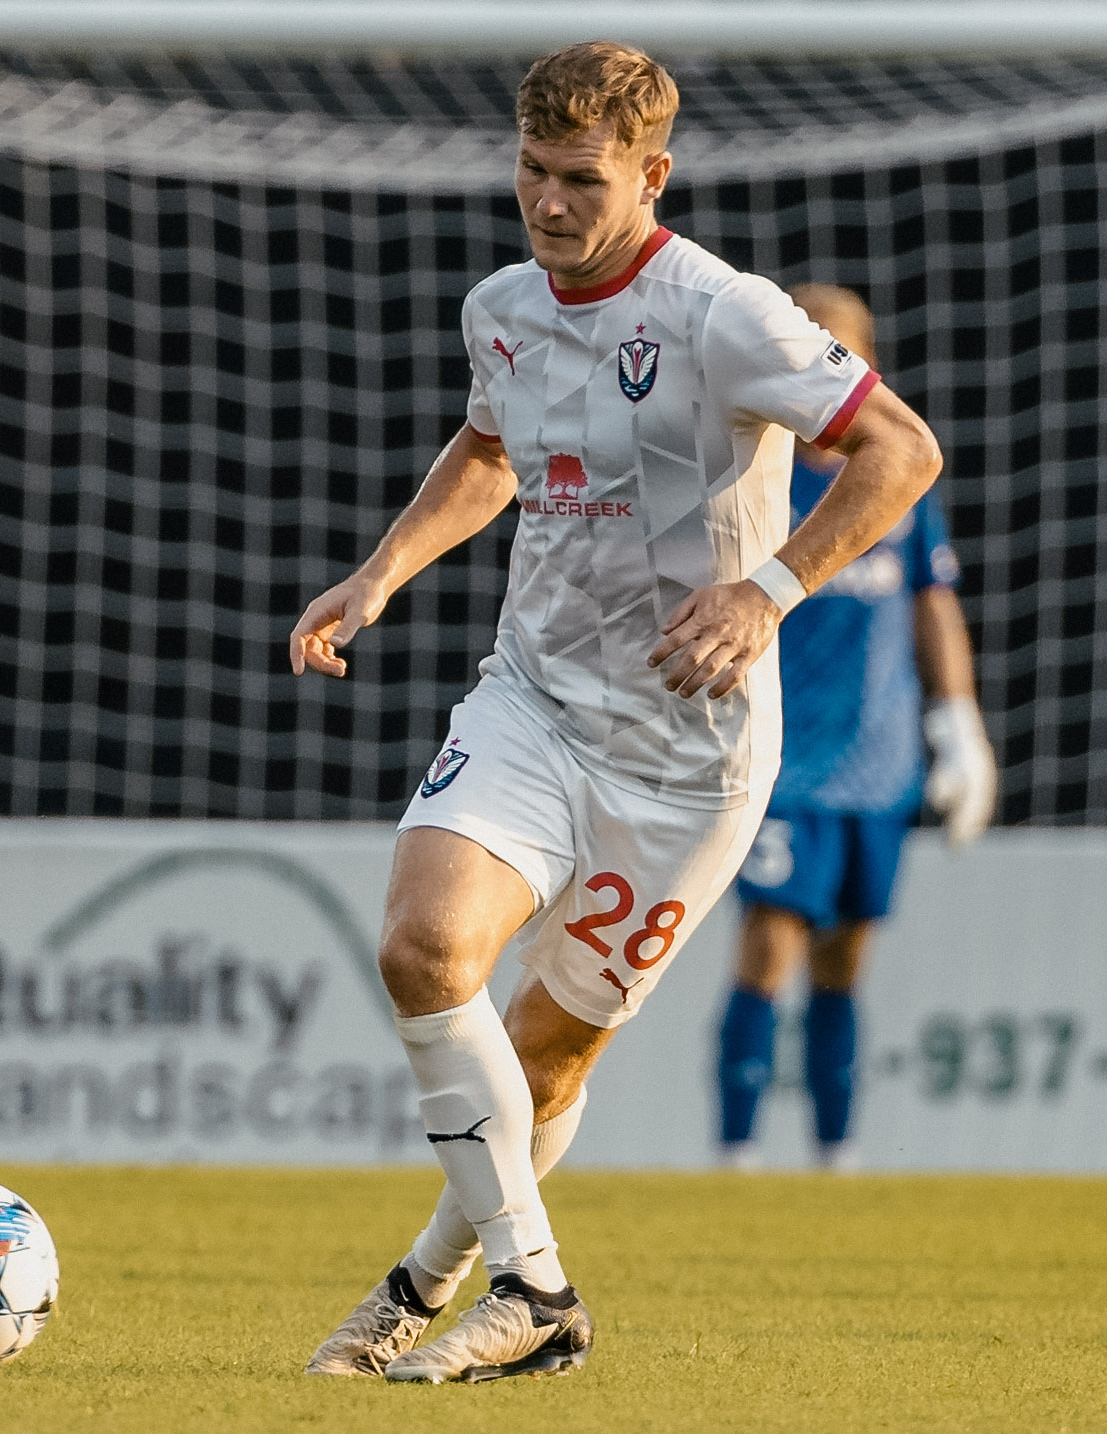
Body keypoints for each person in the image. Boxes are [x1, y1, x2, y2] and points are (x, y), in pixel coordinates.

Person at [287, 42, 944, 1384]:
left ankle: (429, 1277)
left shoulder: (725, 313)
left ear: (651, 174)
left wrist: (768, 591)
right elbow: (490, 448)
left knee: (543, 1058)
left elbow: (905, 454)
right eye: (529, 171)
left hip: (686, 758)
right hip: (532, 700)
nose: (546, 203)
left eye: (579, 179)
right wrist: (380, 572)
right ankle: (541, 1288)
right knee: (423, 952)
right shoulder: (501, 307)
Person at [716, 285, 999, 1173]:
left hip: (878, 769)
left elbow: (932, 606)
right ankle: (737, 1156)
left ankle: (833, 1159)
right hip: (781, 765)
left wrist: (956, 727)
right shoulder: (757, 480)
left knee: (844, 962)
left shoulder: (899, 485)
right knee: (768, 948)